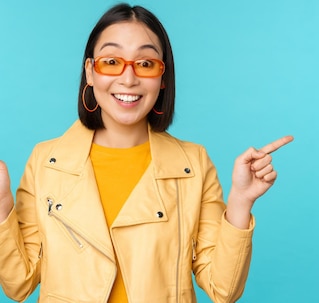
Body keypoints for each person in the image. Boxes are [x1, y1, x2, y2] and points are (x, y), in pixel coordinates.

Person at [0, 3, 292, 303]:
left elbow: (224, 289)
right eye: (111, 61)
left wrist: (241, 201)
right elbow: (17, 285)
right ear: (90, 72)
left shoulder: (193, 163)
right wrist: (1, 205)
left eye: (146, 63)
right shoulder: (47, 161)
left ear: (162, 78)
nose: (128, 79)